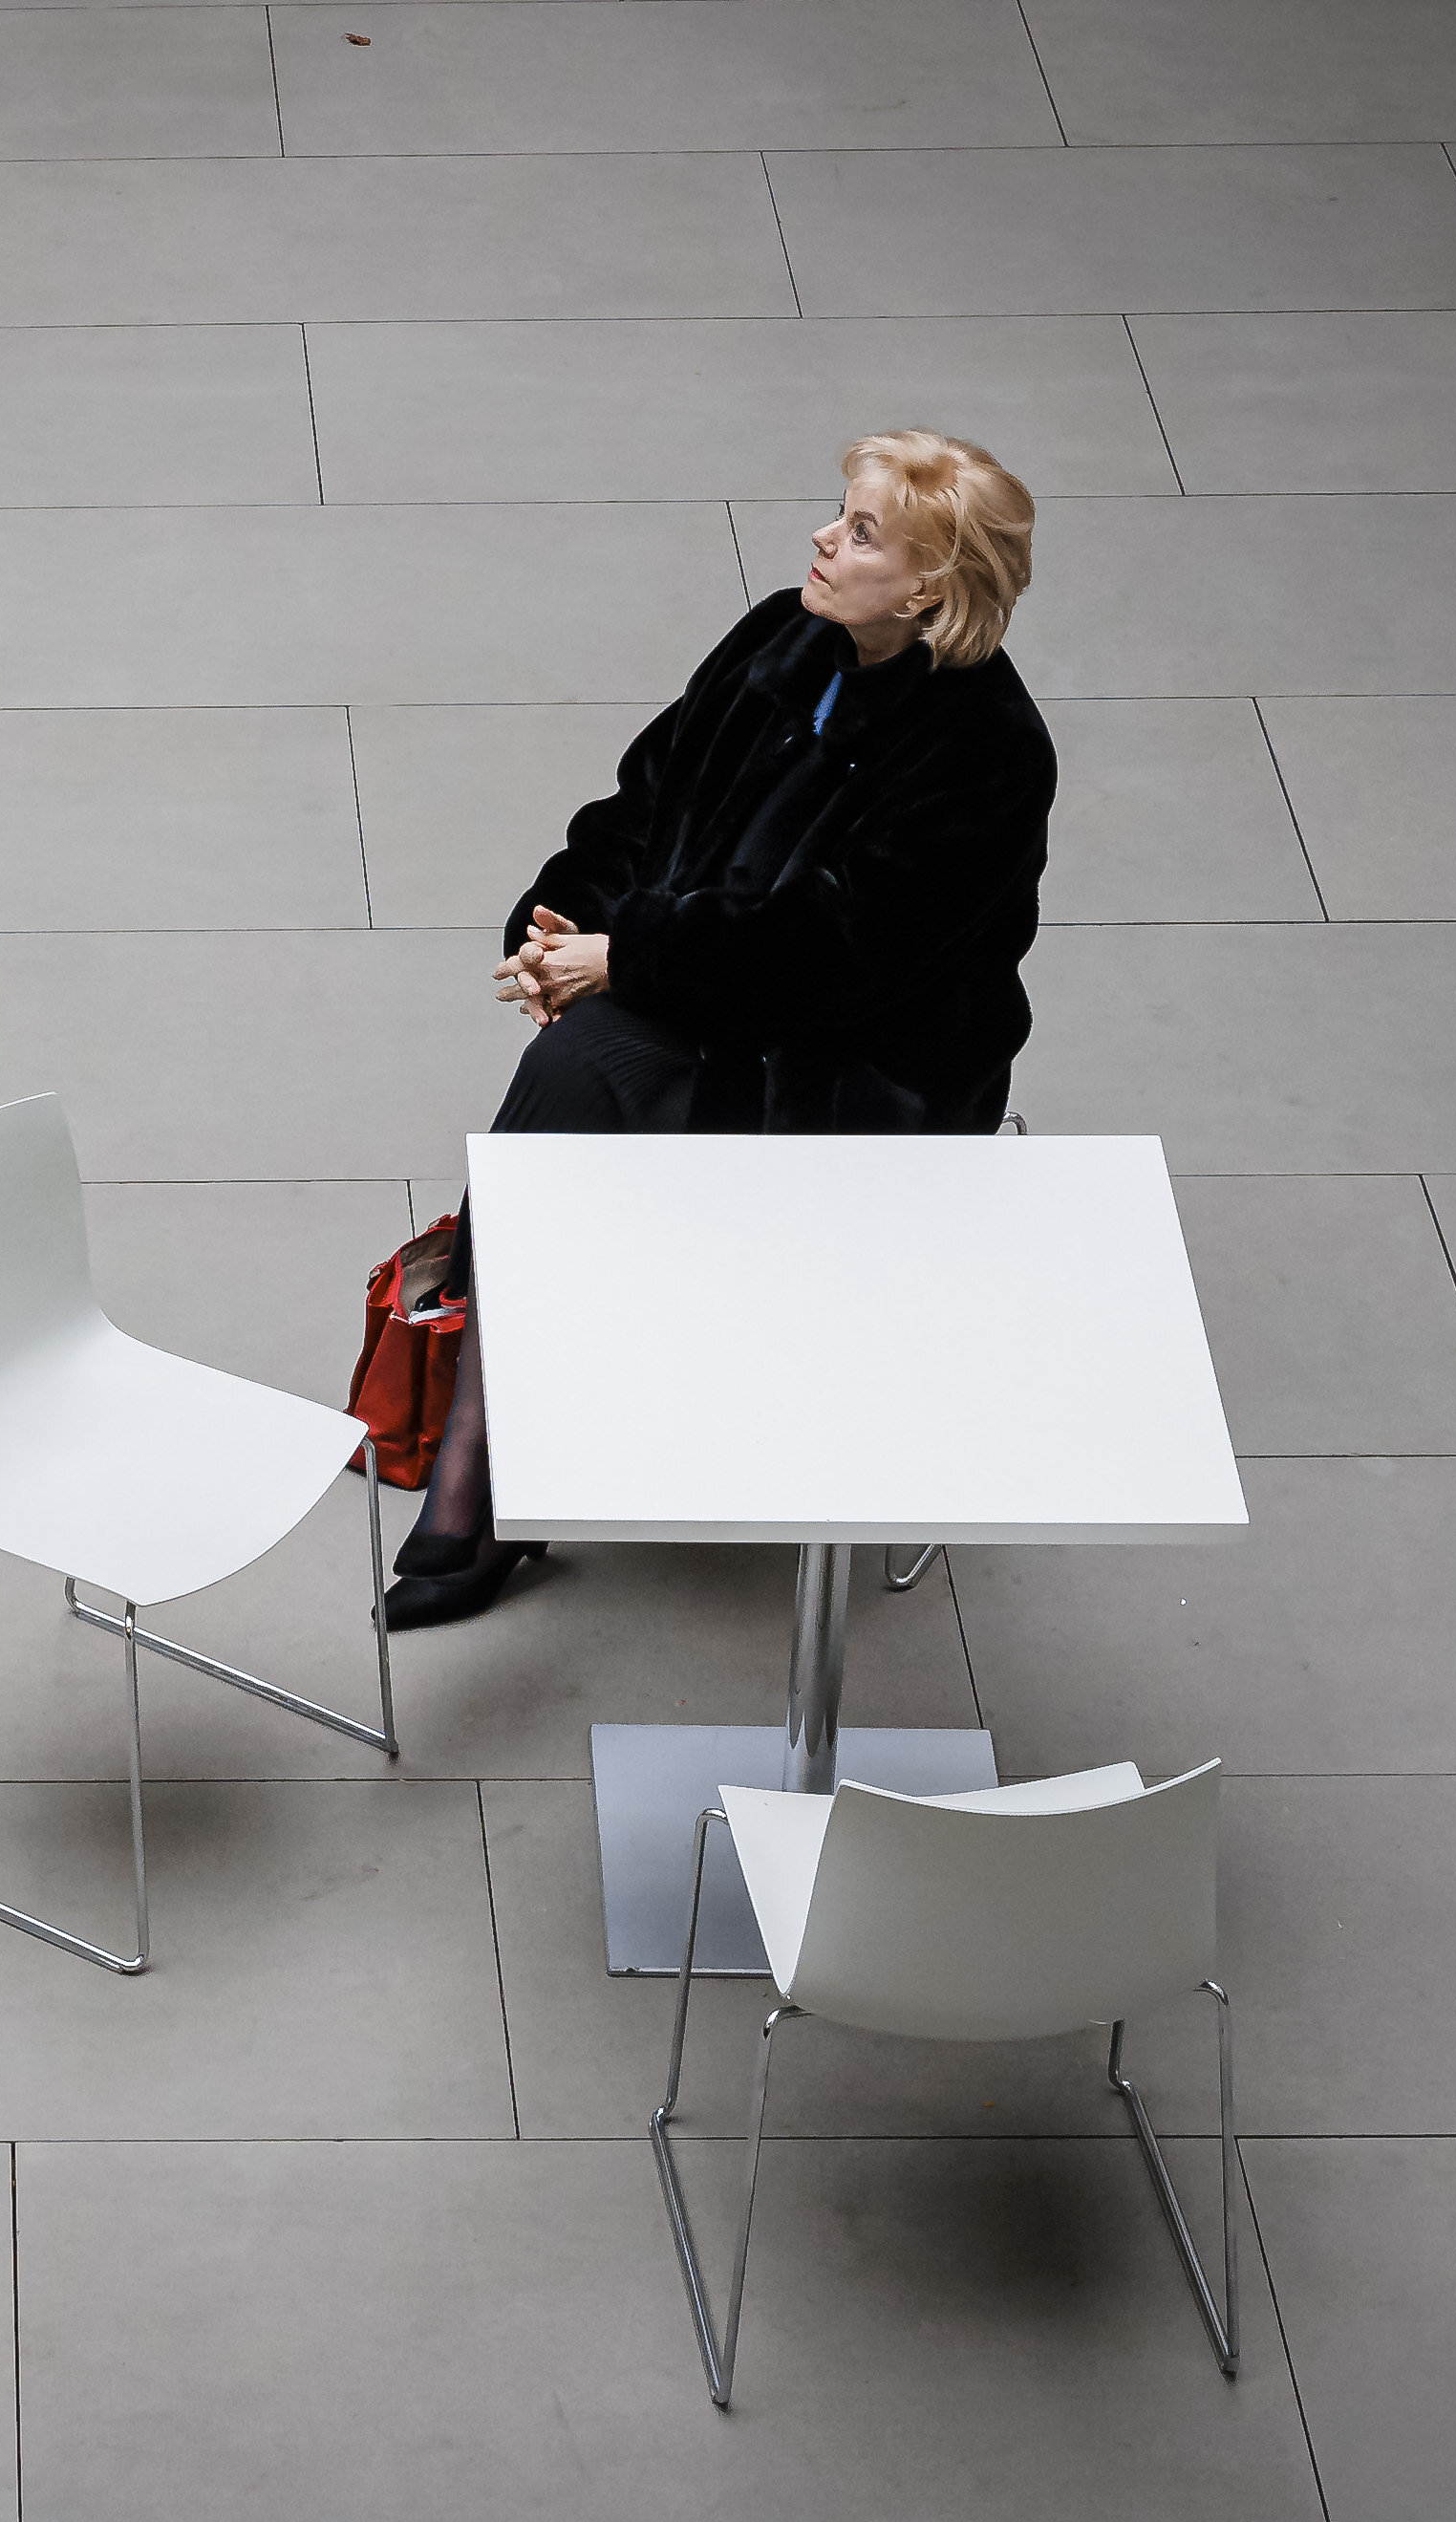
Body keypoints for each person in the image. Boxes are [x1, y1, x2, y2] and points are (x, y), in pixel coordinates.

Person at [390, 428, 1054, 1627]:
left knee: (578, 1071)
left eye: (860, 531)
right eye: (838, 512)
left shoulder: (986, 751)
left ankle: (480, 1474)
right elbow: (640, 806)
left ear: (926, 588)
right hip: (702, 998)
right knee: (573, 1068)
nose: (822, 537)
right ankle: (489, 1466)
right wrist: (555, 931)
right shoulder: (779, 637)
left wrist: (625, 958)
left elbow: (840, 955)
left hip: (850, 1070)